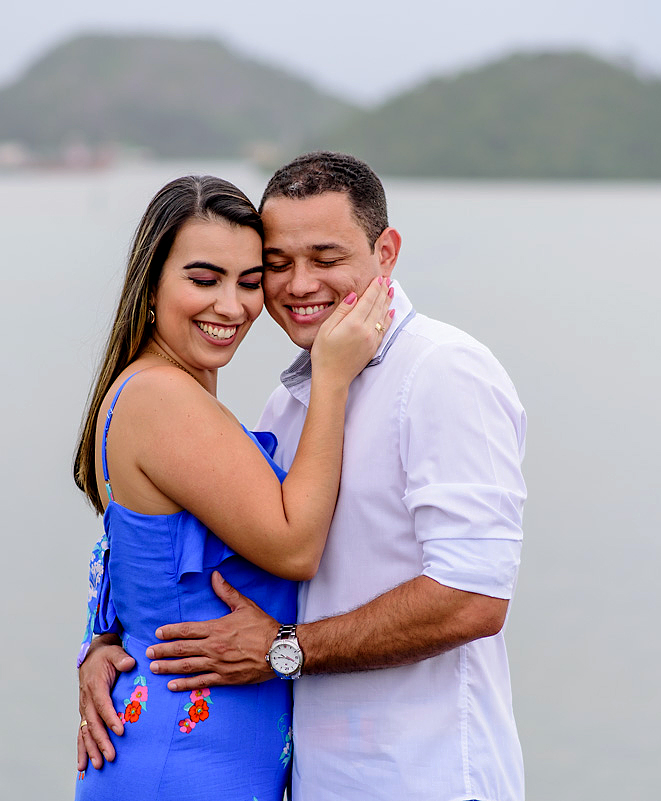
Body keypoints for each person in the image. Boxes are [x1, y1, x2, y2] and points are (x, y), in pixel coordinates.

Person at [79, 152, 528, 800]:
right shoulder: (292, 404)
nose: (297, 284)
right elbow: (168, 548)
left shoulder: (443, 371)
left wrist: (285, 648)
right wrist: (108, 642)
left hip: (419, 779)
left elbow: (474, 595)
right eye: (280, 263)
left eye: (325, 258)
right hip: (303, 778)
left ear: (386, 252)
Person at [70, 174, 392, 800]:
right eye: (203, 278)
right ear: (152, 280)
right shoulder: (161, 397)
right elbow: (296, 548)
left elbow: (135, 548)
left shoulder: (168, 392)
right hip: (185, 760)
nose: (232, 306)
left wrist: (100, 637)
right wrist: (330, 379)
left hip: (206, 751)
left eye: (250, 281)